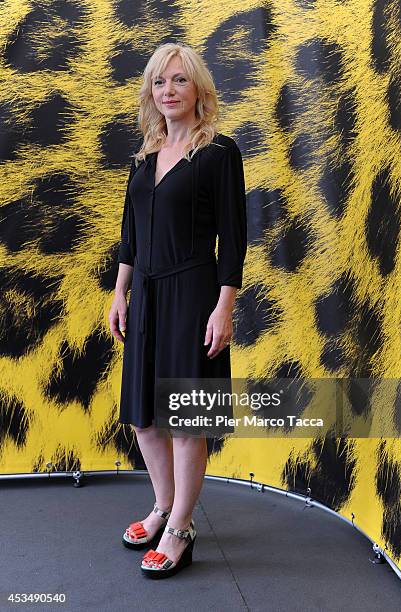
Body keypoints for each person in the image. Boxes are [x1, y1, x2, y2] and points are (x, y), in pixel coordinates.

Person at [108, 42, 247, 579]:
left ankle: (181, 528)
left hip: (192, 292)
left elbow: (233, 239)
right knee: (145, 417)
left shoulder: (219, 153)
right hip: (143, 292)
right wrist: (119, 292)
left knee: (185, 420)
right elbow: (130, 236)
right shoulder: (144, 157)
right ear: (152, 92)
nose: (168, 91)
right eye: (160, 82)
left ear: (198, 91)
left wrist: (223, 307)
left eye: (179, 81)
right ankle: (164, 505)